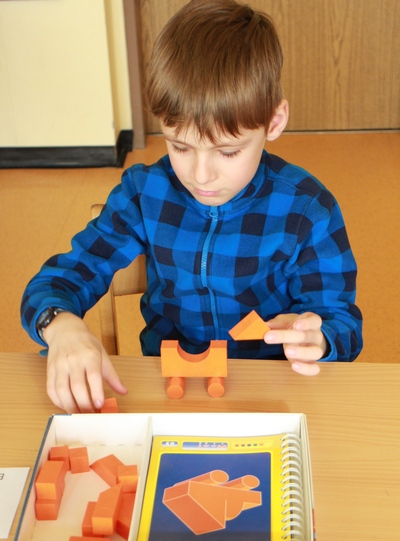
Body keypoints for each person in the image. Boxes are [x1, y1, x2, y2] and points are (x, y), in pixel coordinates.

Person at [20, 0, 363, 413]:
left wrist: (320, 338)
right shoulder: (144, 194)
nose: (201, 176)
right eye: (180, 146)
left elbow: (343, 325)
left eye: (228, 152)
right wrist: (60, 326)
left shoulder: (308, 210)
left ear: (274, 122)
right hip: (169, 387)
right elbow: (58, 281)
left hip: (269, 391)